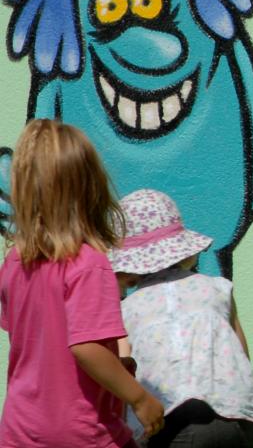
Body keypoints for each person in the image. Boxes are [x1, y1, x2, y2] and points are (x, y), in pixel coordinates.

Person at [0, 118, 165, 447]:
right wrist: (139, 398)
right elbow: (85, 348)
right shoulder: (88, 264)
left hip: (20, 430)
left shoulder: (15, 262)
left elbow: (40, 343)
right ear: (90, 188)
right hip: (81, 432)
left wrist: (115, 368)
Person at [109, 189, 253, 448]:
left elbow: (124, 369)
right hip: (237, 415)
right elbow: (242, 355)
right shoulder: (217, 289)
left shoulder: (128, 310)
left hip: (175, 422)